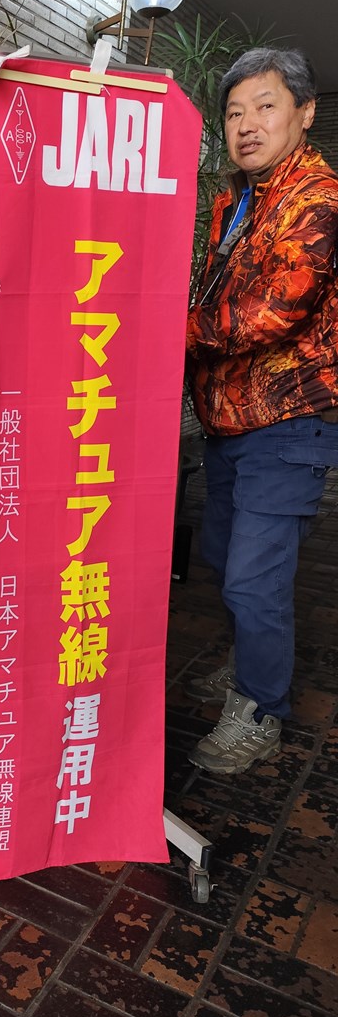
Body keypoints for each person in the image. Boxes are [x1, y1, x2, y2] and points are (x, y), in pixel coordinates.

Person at [184, 46, 338, 774]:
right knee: (222, 560)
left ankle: (259, 707)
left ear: (304, 113)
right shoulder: (240, 200)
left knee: (255, 576)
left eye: (266, 106)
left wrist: (169, 330)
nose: (247, 124)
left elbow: (276, 308)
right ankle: (250, 664)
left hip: (288, 420)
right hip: (229, 420)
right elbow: (215, 296)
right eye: (235, 112)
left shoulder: (317, 199)